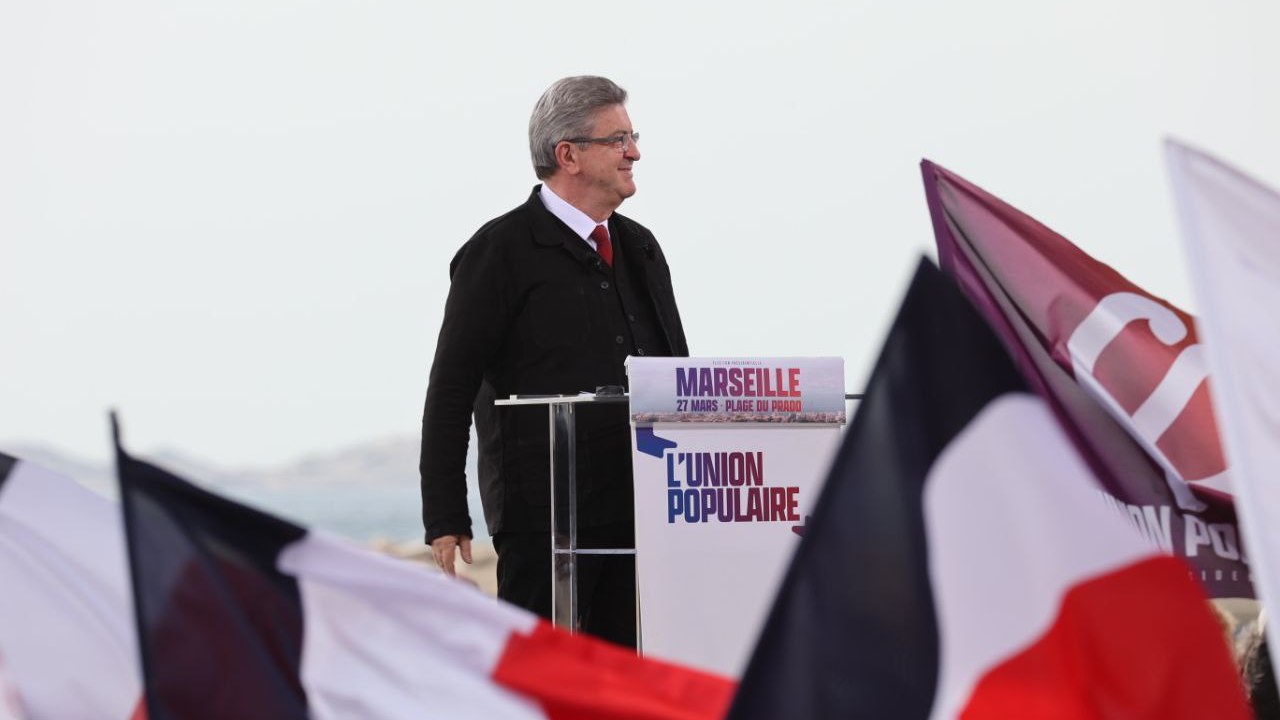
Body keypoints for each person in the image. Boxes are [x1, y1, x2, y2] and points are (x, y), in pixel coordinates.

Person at [419, 76, 688, 648]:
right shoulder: (498, 253)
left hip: (637, 511)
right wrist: (445, 515)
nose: (634, 152)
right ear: (568, 154)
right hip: (543, 521)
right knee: (536, 690)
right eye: (618, 139)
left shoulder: (641, 248)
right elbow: (450, 388)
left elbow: (676, 380)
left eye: (632, 136)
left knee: (621, 692)